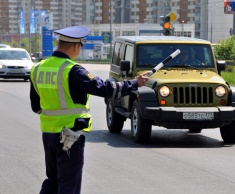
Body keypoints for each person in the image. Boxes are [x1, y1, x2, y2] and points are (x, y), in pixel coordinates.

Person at [29, 25, 149, 194]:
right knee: (68, 185)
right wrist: (135, 83)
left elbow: (36, 106)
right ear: (75, 46)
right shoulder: (72, 70)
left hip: (48, 135)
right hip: (69, 136)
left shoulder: (38, 68)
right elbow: (106, 89)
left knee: (52, 180)